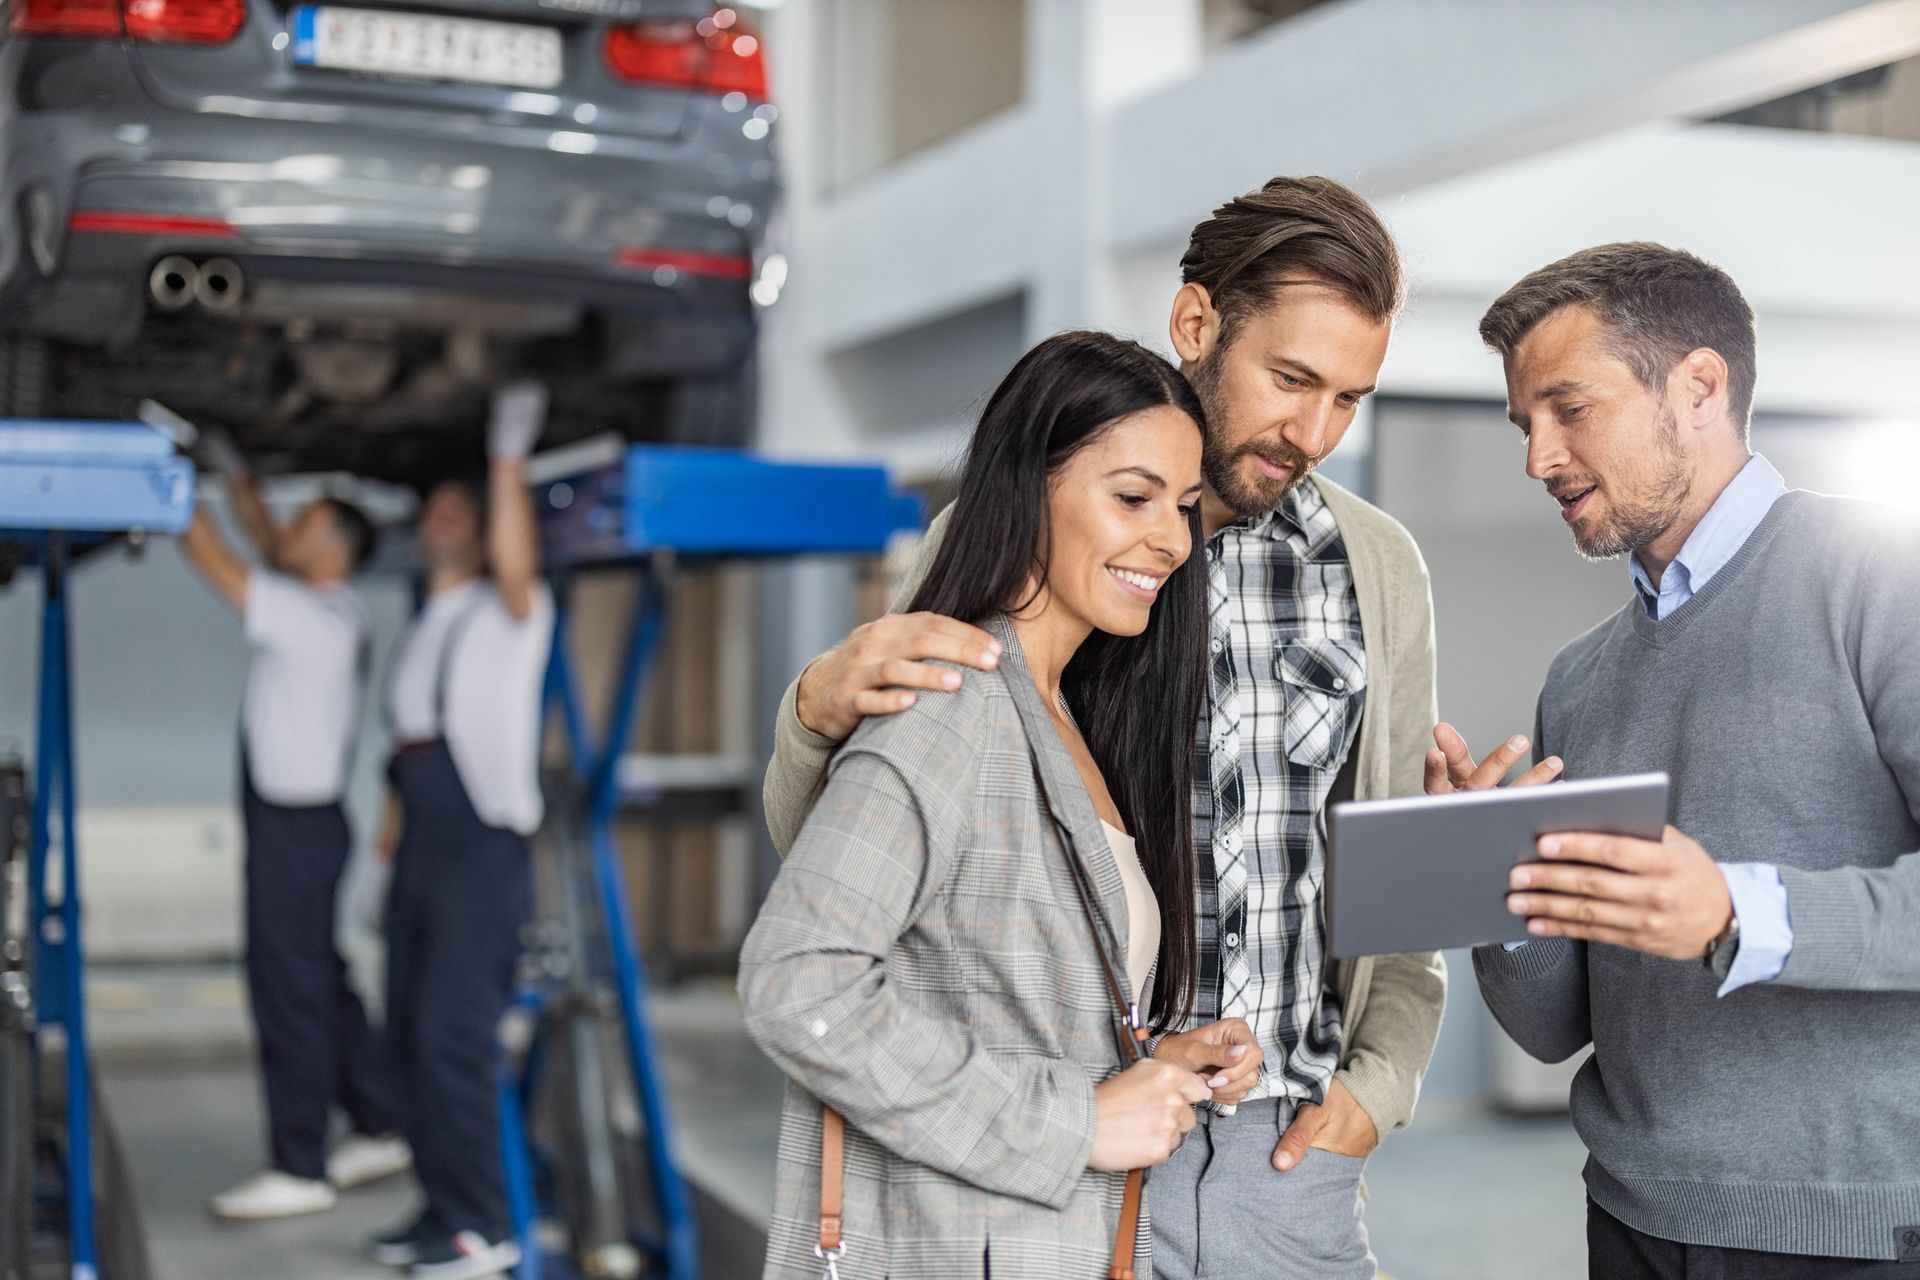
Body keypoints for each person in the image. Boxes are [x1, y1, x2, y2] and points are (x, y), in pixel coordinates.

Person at [761, 176, 1446, 1278]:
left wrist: (1381, 1083)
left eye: (1350, 398)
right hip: (1073, 1146)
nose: (1312, 431)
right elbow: (844, 873)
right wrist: (812, 713)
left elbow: (1389, 874)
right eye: (1290, 379)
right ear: (1195, 324)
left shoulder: (1377, 571)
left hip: (1294, 1151)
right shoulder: (1019, 537)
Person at [741, 330, 1268, 1280]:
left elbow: (992, 992)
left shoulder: (1065, 714)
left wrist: (1152, 1058)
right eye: (1133, 497)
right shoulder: (951, 703)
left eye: (1186, 508)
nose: (1173, 540)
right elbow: (796, 984)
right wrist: (1078, 1120)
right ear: (1030, 488)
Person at [1439, 243, 1920, 1277]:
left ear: (1698, 387)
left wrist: (1739, 911)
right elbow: (1551, 1024)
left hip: (1848, 1235)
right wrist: (1489, 876)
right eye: (1526, 422)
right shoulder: (1580, 678)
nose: (1539, 457)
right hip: (1629, 1217)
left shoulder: (1887, 580)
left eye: (1571, 408)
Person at [177, 455, 409, 1221]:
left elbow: (211, 557)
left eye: (304, 521)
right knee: (321, 982)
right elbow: (263, 540)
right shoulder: (327, 605)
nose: (286, 529)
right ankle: (379, 1121)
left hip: (294, 832)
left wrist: (167, 477)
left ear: (333, 547)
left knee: (289, 995)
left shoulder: (309, 615)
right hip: (309, 826)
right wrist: (236, 477)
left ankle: (299, 1164)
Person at [370, 383, 554, 1280]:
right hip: (423, 851)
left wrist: (506, 458)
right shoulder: (425, 625)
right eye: (434, 508)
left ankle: (487, 1226)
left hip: (481, 851)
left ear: (485, 531)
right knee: (404, 1036)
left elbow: (518, 567)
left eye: (461, 509)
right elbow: (403, 757)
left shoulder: (509, 612)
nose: (443, 518)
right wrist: (384, 859)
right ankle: (441, 1209)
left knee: (452, 1037)